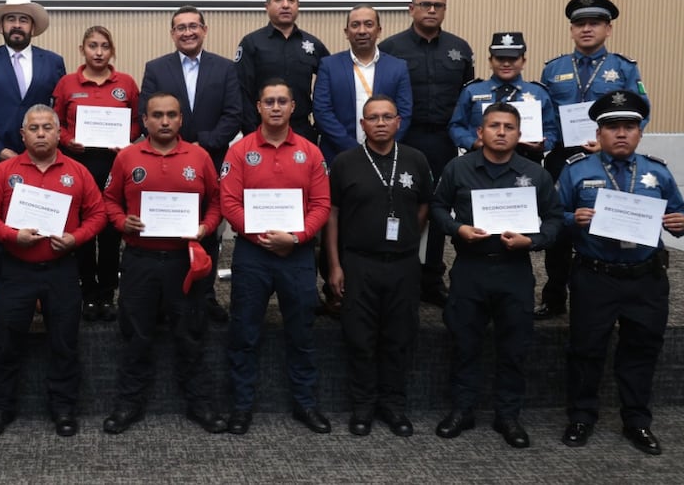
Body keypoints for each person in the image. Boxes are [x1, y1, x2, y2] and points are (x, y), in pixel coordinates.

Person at [556, 90, 683, 456]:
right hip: (595, 276)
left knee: (642, 349)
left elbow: (678, 216)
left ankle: (637, 422)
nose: (622, 133)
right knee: (585, 349)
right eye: (613, 127)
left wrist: (680, 222)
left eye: (629, 126)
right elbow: (552, 218)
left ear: (640, 131)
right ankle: (581, 417)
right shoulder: (577, 170)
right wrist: (571, 219)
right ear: (599, 133)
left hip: (646, 279)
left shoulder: (657, 171)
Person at [431, 102, 562, 449]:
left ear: (520, 134)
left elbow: (554, 220)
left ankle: (508, 415)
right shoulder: (458, 168)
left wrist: (531, 241)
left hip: (514, 269)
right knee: (464, 342)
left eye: (508, 127)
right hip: (470, 267)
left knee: (514, 346)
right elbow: (437, 207)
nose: (501, 132)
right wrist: (457, 229)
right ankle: (463, 409)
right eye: (494, 126)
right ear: (480, 132)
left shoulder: (536, 175)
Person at [0, 105, 106, 438]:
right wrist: (10, 235)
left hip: (61, 270)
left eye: (48, 127)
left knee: (64, 343)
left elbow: (98, 215)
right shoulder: (4, 171)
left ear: (59, 133)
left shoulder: (78, 172)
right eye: (34, 128)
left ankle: (63, 409)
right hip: (16, 271)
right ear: (23, 134)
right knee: (5, 343)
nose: (42, 133)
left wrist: (76, 238)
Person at [101, 92, 226, 435]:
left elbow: (216, 203)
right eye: (157, 115)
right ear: (146, 120)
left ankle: (201, 403)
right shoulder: (127, 157)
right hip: (140, 261)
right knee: (136, 336)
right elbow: (109, 200)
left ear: (181, 119)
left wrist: (206, 227)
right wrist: (121, 221)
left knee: (190, 335)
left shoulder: (200, 157)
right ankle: (128, 404)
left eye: (172, 114)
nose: (165, 121)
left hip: (183, 262)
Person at [221, 79, 331, 435]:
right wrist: (263, 237)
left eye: (283, 101)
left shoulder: (311, 152)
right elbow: (229, 203)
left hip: (297, 255)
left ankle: (306, 404)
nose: (276, 107)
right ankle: (240, 406)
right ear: (258, 107)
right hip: (253, 253)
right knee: (244, 333)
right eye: (269, 101)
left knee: (301, 333)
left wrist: (296, 238)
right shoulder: (239, 152)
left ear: (293, 107)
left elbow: (321, 205)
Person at [537, 0, 648, 319]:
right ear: (571, 30)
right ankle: (554, 297)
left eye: (594, 23)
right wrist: (544, 141)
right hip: (561, 159)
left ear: (608, 29)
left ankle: (603, 299)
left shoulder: (623, 68)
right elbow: (546, 117)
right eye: (580, 23)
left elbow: (642, 113)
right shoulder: (554, 69)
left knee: (606, 225)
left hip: (607, 160)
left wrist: (609, 144)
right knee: (559, 229)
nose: (587, 29)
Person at [325, 95, 431, 437]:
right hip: (358, 263)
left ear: (398, 122)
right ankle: (363, 406)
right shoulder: (345, 162)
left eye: (387, 117)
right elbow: (333, 215)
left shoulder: (416, 160)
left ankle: (393, 406)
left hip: (402, 264)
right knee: (360, 338)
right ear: (362, 124)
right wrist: (335, 266)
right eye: (373, 118)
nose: (381, 123)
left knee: (398, 337)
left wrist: (406, 239)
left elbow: (424, 206)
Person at [141, 5, 242, 323]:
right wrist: (177, 147)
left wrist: (202, 145)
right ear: (173, 34)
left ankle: (206, 295)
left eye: (193, 26)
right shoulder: (156, 68)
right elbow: (148, 111)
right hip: (165, 163)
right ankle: (164, 295)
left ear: (204, 30)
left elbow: (233, 114)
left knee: (209, 230)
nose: (187, 32)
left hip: (210, 160)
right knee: (168, 230)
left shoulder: (225, 68)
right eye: (180, 27)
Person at [379, 0, 474, 308]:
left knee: (438, 207)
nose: (432, 10)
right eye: (425, 4)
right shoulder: (391, 47)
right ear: (411, 8)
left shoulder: (460, 49)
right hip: (405, 139)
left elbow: (469, 98)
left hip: (444, 141)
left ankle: (432, 277)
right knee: (401, 204)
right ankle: (400, 274)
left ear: (445, 9)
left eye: (438, 5)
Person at [52, 25, 140, 321]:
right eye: (92, 46)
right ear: (82, 50)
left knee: (112, 232)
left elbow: (139, 122)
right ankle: (88, 293)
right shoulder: (66, 83)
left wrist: (125, 139)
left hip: (115, 165)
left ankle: (107, 294)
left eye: (104, 46)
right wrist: (67, 141)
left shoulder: (126, 83)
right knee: (83, 231)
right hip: (78, 164)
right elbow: (57, 122)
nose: (98, 52)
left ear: (112, 50)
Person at [0, 0, 67, 173]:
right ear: (1, 26)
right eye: (10, 19)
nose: (16, 25)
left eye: (23, 20)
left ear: (32, 27)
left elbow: (61, 111)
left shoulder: (53, 62)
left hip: (43, 161)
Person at [313, 5, 412, 165]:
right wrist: (352, 149)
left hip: (386, 155)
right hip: (339, 155)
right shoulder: (329, 65)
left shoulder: (398, 67)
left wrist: (384, 145)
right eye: (355, 25)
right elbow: (322, 111)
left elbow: (405, 112)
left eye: (368, 24)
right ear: (346, 32)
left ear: (379, 31)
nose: (362, 30)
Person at [234, 0, 328, 142]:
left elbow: (330, 84)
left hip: (302, 131)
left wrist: (319, 127)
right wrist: (251, 133)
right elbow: (242, 92)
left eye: (291, 0)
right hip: (261, 131)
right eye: (279, 0)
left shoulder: (312, 44)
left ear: (297, 5)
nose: (285, 5)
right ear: (267, 6)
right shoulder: (251, 43)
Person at [449, 32, 558, 163]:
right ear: (490, 61)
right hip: (479, 163)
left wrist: (543, 145)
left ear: (523, 61)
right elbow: (456, 126)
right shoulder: (472, 91)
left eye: (513, 59)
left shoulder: (539, 93)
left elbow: (552, 129)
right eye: (500, 58)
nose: (506, 64)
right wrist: (473, 142)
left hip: (527, 162)